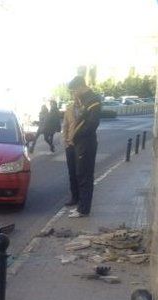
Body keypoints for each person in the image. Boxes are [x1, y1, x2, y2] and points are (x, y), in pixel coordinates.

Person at [67, 75, 101, 218]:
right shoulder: (85, 100)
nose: (74, 93)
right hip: (80, 144)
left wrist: (77, 135)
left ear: (81, 87)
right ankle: (81, 206)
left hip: (86, 144)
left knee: (85, 176)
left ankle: (83, 209)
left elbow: (92, 124)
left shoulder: (93, 101)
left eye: (74, 90)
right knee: (80, 174)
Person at [62, 98, 80, 207]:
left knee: (81, 173)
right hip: (71, 145)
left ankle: (83, 197)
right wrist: (66, 142)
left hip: (82, 145)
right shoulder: (69, 109)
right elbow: (65, 126)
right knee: (72, 173)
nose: (76, 97)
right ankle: (74, 197)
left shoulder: (86, 108)